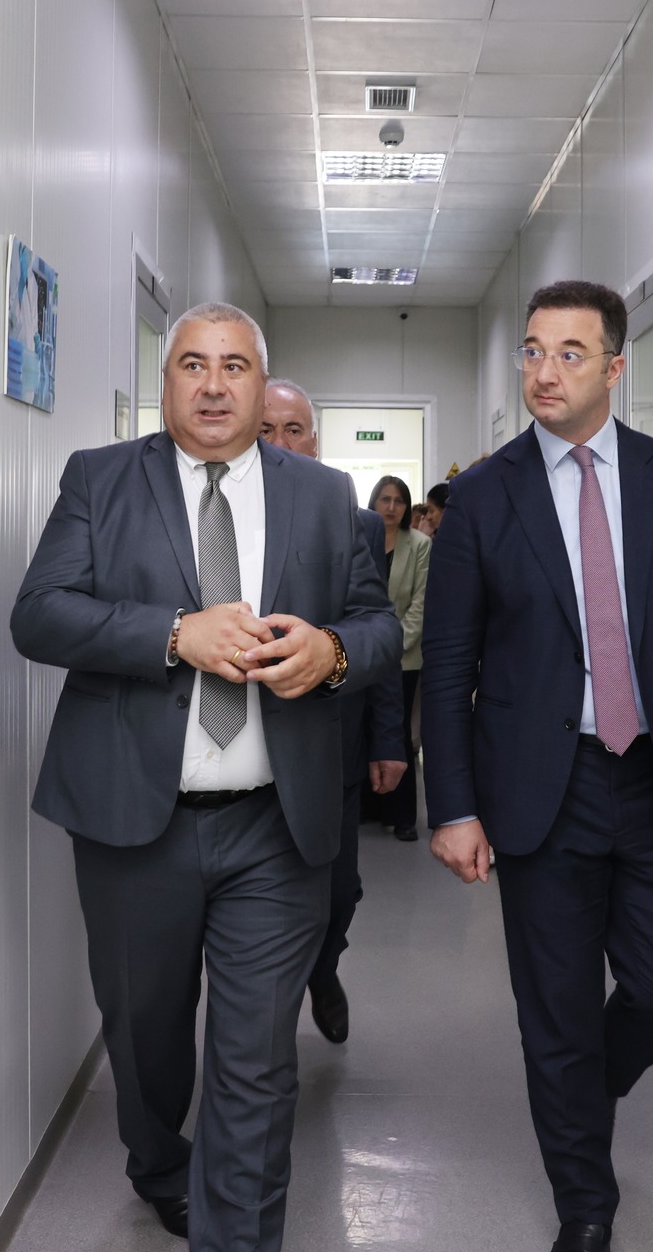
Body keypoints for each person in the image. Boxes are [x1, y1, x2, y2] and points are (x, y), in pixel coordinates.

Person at [10, 304, 399, 1249]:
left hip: (276, 823)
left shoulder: (324, 494)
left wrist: (334, 653)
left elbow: (378, 628)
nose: (215, 385)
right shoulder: (101, 478)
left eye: (235, 366)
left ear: (263, 386)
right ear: (167, 382)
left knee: (256, 1062)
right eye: (193, 364)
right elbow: (39, 614)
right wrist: (172, 634)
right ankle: (156, 1160)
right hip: (133, 819)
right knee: (145, 1035)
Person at [421, 280, 653, 1252]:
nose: (544, 371)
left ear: (614, 367)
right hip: (540, 786)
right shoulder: (481, 497)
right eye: (532, 350)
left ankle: (580, 1090)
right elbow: (448, 664)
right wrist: (454, 807)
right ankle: (585, 1204)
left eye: (569, 353)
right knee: (556, 1007)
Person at [260, 378, 405, 1044]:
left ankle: (325, 968)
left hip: (332, 741)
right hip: (248, 747)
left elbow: (377, 636)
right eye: (266, 430)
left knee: (338, 891)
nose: (281, 443)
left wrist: (389, 740)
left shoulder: (358, 523)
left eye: (294, 430)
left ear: (314, 442)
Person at [367, 475, 430, 842]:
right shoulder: (361, 539)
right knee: (364, 728)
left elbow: (421, 603)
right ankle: (370, 807)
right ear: (373, 502)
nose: (391, 507)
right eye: (385, 499)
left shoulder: (420, 544)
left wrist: (391, 645)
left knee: (399, 734)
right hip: (363, 654)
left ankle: (403, 816)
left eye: (399, 501)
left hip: (403, 656)